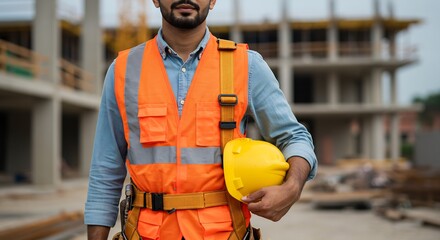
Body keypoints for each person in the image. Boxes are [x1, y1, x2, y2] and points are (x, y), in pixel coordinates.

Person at [85, 0, 317, 239]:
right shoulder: (124, 69)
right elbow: (105, 168)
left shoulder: (246, 65)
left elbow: (294, 136)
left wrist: (292, 187)